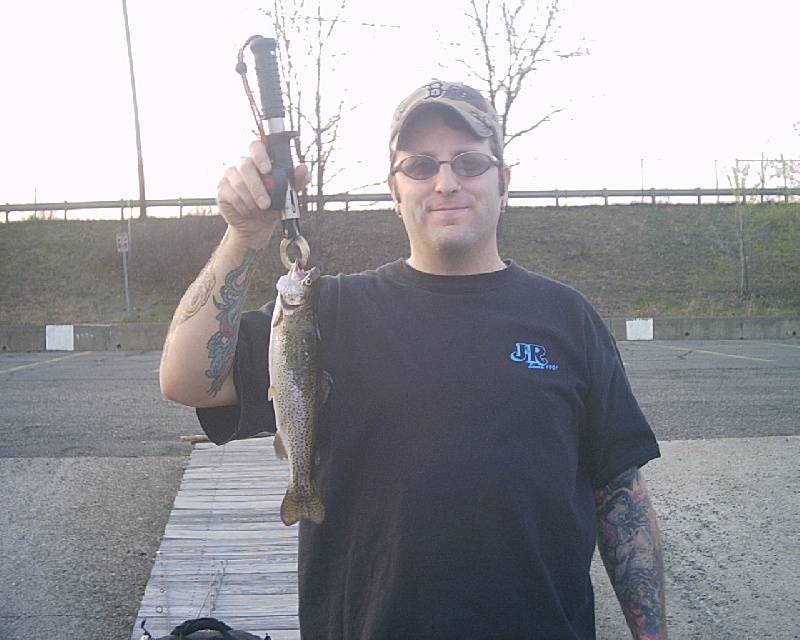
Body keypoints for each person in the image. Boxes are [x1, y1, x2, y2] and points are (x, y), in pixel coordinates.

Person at [160, 80, 668, 639]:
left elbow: (620, 496)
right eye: (421, 166)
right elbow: (187, 379)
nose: (446, 182)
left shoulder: (568, 318)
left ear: (504, 182)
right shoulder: (326, 310)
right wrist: (244, 236)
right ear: (395, 190)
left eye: (470, 162)